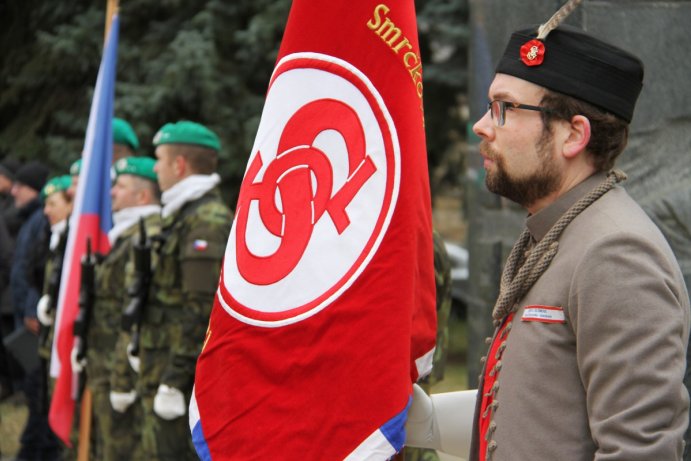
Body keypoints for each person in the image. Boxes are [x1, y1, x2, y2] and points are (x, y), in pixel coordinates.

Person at [406, 4, 690, 461]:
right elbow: (537, 420)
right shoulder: (561, 230)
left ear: (573, 135)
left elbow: (639, 451)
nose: (481, 125)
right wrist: (426, 422)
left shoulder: (615, 252)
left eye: (502, 108)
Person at [137, 121, 232, 460]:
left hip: (184, 378)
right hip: (163, 365)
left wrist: (175, 380)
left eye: (159, 159)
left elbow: (201, 308)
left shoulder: (205, 219)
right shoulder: (182, 215)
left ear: (179, 165)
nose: (155, 168)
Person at [75, 156, 161, 461]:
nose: (111, 192)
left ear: (142, 195)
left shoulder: (145, 235)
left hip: (122, 366)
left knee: (124, 449)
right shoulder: (126, 235)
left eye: (120, 186)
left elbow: (134, 311)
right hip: (106, 362)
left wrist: (122, 377)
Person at [10, 160, 63, 461]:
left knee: (39, 392)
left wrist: (32, 310)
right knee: (35, 391)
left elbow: (39, 272)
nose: (15, 191)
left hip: (35, 320)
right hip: (29, 317)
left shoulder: (40, 222)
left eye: (22, 186)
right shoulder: (34, 220)